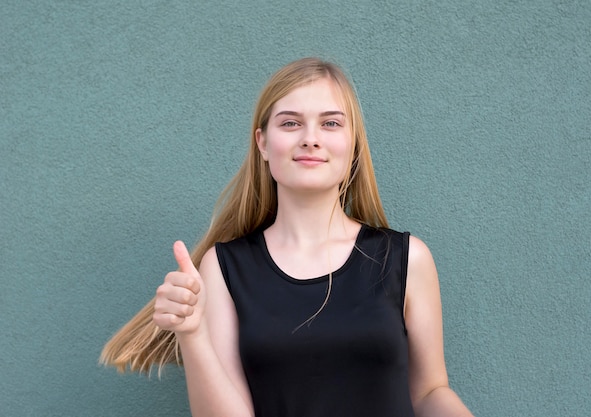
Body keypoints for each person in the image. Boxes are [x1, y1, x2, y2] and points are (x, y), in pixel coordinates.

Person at [101, 57, 474, 417]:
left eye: (330, 124)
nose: (311, 139)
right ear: (262, 143)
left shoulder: (407, 259)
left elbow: (428, 393)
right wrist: (191, 333)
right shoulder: (224, 268)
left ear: (354, 144)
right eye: (291, 123)